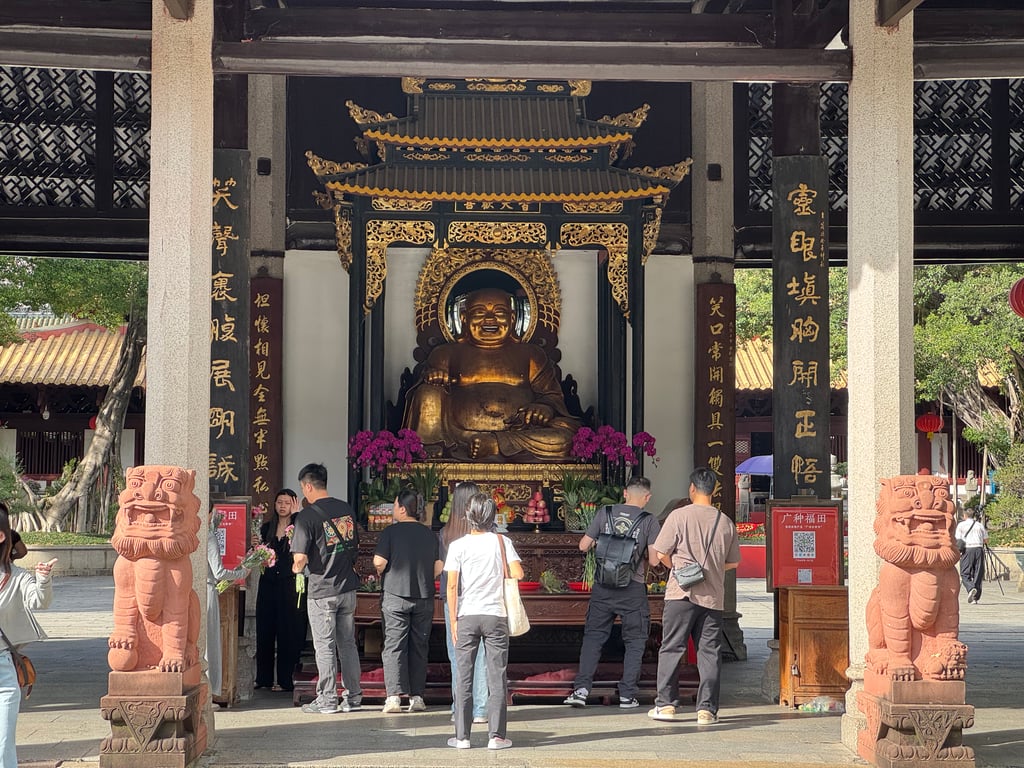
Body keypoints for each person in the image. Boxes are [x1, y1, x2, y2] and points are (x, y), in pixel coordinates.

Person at [402, 287, 580, 459]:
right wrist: (436, 378)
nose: (489, 319)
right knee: (427, 392)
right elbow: (429, 394)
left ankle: (494, 444)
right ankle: (432, 443)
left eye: (500, 312)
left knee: (564, 439)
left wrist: (545, 407)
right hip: (457, 436)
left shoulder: (531, 354)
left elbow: (552, 396)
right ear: (464, 318)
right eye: (479, 312)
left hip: (520, 431)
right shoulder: (446, 353)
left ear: (512, 318)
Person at [649, 467, 739, 725]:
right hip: (712, 597)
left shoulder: (678, 516)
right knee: (709, 652)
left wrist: (676, 567)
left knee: (672, 648)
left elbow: (659, 553)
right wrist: (710, 567)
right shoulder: (725, 522)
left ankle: (666, 705)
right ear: (714, 490)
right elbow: (733, 563)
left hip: (681, 593)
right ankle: (707, 710)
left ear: (691, 489)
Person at [564, 476, 660, 709]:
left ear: (625, 493)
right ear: (647, 497)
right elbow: (656, 561)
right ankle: (627, 694)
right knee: (636, 641)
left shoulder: (604, 512)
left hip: (603, 587)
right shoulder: (649, 521)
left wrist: (601, 543)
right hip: (633, 589)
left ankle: (581, 690)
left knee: (593, 637)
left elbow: (583, 546)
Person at [443, 494, 523, 750]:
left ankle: (462, 737)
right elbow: (518, 573)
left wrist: (454, 620)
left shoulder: (458, 545)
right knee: (496, 675)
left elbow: (452, 585)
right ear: (492, 518)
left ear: (468, 517)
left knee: (464, 675)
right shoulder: (502, 541)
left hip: (467, 615)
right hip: (495, 614)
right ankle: (496, 737)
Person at [290, 463, 363, 714]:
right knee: (347, 645)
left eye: (303, 488)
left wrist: (296, 569)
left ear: (308, 486)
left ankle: (328, 699)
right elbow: (355, 545)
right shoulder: (346, 509)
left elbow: (299, 559)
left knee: (324, 645)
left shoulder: (307, 516)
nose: (304, 493)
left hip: (323, 590)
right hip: (347, 589)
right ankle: (353, 697)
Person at [373, 488, 443, 713]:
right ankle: (417, 697)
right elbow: (439, 566)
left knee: (394, 645)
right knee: (419, 646)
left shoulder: (391, 532)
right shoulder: (430, 534)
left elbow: (379, 561)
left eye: (395, 505)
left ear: (402, 509)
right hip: (424, 596)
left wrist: (381, 571)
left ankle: (393, 697)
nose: (394, 509)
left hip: (395, 594)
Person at [0, 504, 53, 768]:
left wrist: (43, 579)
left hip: (3, 671)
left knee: (3, 745)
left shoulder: (18, 578)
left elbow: (39, 602)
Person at [438, 481, 489, 724]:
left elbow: (445, 574)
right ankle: (479, 709)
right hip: (481, 599)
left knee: (457, 653)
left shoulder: (446, 534)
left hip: (454, 600)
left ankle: (459, 707)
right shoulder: (489, 534)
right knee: (481, 655)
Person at [253, 489, 308, 692]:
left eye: (287, 502)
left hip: (290, 583)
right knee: (265, 629)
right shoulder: (267, 527)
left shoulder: (299, 526)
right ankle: (264, 678)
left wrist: (297, 515)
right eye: (279, 502)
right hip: (267, 582)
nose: (282, 506)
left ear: (294, 504)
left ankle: (286, 679)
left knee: (289, 630)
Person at [206, 513, 250, 699]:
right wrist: (243, 571)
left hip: (192, 592)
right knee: (211, 644)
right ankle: (209, 691)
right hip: (207, 592)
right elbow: (219, 572)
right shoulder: (208, 536)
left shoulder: (191, 532)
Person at [955, 507, 989, 604]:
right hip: (979, 549)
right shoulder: (979, 525)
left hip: (967, 549)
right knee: (978, 573)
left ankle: (970, 588)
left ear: (965, 516)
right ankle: (975, 598)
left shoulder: (961, 525)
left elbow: (958, 539)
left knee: (965, 572)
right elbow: (986, 539)